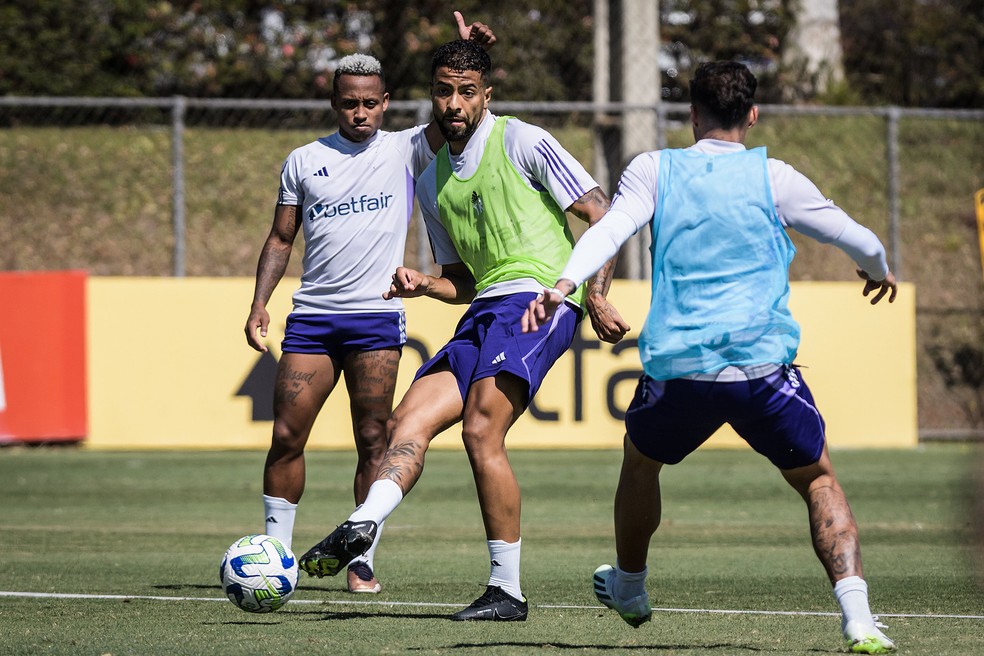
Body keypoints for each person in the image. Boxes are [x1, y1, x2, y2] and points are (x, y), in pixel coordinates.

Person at [521, 61, 898, 653]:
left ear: (691, 115)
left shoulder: (654, 168)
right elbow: (862, 241)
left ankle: (630, 587)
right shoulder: (775, 176)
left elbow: (610, 230)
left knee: (641, 462)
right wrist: (876, 271)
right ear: (752, 115)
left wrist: (566, 283)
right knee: (818, 478)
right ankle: (859, 618)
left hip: (680, 372)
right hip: (761, 371)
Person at [296, 38, 629, 621]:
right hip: (484, 312)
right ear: (431, 96)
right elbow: (463, 283)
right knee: (407, 421)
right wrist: (425, 285)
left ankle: (508, 590)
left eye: (466, 92)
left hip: (540, 301)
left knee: (480, 429)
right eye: (444, 91)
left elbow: (606, 217)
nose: (454, 103)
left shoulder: (523, 140)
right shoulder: (429, 184)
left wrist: (593, 294)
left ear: (486, 96)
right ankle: (360, 526)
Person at [244, 12, 495, 596]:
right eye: (348, 103)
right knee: (286, 435)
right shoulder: (303, 161)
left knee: (374, 439)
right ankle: (276, 558)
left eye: (369, 103)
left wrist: (467, 52)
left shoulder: (408, 149)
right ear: (335, 104)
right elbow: (282, 238)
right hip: (312, 318)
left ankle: (360, 559)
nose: (359, 113)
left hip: (376, 319)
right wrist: (260, 303)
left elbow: (460, 106)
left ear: (385, 103)